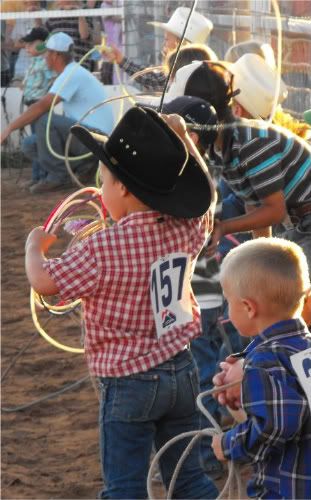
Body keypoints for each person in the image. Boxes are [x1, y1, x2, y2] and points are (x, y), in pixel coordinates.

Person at [24, 106, 219, 499]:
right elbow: (207, 202)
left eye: (105, 181)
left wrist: (34, 247)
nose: (100, 191)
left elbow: (44, 282)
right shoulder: (186, 229)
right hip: (181, 369)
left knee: (125, 487)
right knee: (189, 477)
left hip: (127, 383)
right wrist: (183, 139)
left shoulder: (101, 248)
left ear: (125, 190)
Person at [164, 56, 311, 267]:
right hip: (297, 222)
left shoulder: (250, 143)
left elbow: (274, 210)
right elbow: (255, 205)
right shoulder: (222, 148)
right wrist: (261, 261)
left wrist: (223, 227)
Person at [210, 237, 311, 499]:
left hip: (287, 488)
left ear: (248, 307)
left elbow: (276, 424)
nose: (228, 311)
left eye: (228, 302)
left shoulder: (264, 362)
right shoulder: (302, 345)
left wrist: (228, 443)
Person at [1, 32, 114, 194]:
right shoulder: (71, 72)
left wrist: (9, 128)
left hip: (94, 140)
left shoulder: (71, 74)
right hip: (91, 139)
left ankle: (59, 176)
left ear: (56, 55)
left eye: (47, 52)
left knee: (43, 120)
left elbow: (42, 106)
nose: (44, 56)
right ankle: (79, 169)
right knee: (29, 145)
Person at [102, 6, 213, 91]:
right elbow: (154, 78)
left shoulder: (181, 71)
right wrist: (121, 60)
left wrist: (121, 60)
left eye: (166, 40)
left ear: (179, 43)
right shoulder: (198, 68)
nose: (163, 45)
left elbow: (153, 80)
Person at [20, 26, 57, 187]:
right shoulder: (35, 62)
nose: (26, 47)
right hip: (32, 106)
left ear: (43, 44)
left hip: (39, 108)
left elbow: (54, 79)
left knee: (40, 142)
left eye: (31, 44)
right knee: (36, 142)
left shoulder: (45, 62)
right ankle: (37, 176)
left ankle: (42, 177)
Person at [45, 0, 100, 71]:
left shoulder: (85, 10)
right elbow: (44, 38)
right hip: (59, 64)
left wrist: (78, 13)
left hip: (80, 63)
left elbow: (84, 35)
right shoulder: (54, 15)